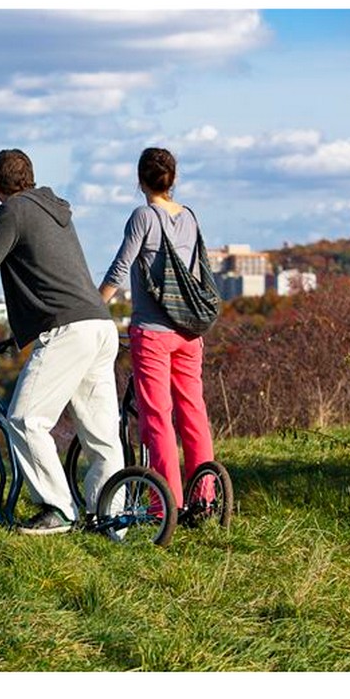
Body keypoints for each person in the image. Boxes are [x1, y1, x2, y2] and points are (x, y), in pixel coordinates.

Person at [0, 148, 123, 535]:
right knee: (101, 434)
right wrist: (16, 335)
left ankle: (58, 509)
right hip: (100, 326)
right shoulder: (57, 212)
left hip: (69, 331)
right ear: (30, 177)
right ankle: (111, 519)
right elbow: (49, 279)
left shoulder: (13, 211)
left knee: (24, 419)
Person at [99, 146, 215, 510]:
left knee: (157, 419)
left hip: (152, 333)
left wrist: (94, 306)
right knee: (193, 413)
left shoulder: (143, 217)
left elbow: (120, 268)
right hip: (189, 331)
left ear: (140, 180)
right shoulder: (189, 217)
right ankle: (205, 498)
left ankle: (166, 505)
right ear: (173, 179)